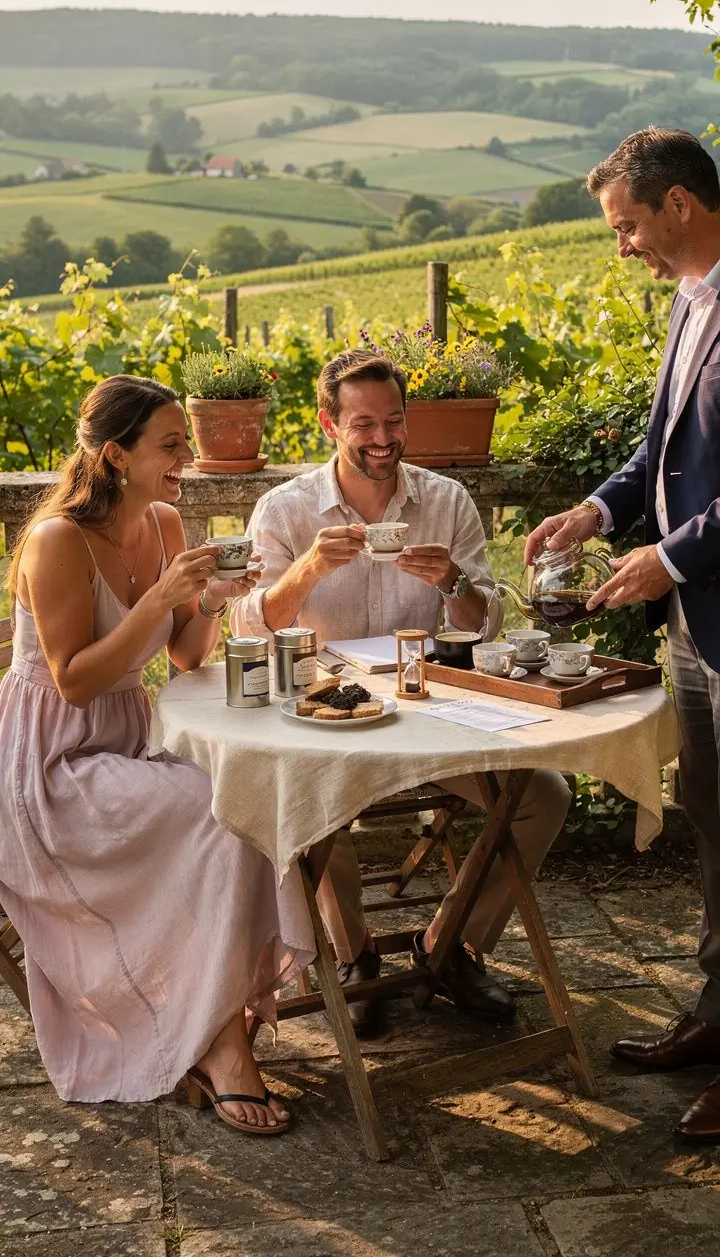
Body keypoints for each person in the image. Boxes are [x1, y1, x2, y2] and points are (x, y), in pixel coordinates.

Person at [525, 127, 720, 1144]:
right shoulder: (697, 302)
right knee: (713, 825)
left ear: (679, 206)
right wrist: (598, 516)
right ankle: (717, 1012)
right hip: (693, 622)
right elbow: (660, 448)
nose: (624, 247)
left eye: (628, 225)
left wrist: (671, 556)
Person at [0, 375, 315, 1135]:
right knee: (212, 816)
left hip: (126, 744)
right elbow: (74, 683)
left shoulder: (170, 521)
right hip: (48, 769)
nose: (188, 456)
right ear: (116, 454)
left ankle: (213, 1025)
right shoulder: (56, 541)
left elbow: (183, 655)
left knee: (240, 797)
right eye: (170, 445)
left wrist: (204, 601)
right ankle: (222, 1043)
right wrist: (156, 599)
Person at [232, 348, 571, 1035]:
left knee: (543, 797)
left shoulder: (446, 502)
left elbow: (484, 623)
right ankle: (356, 958)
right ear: (330, 423)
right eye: (363, 425)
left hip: (431, 719)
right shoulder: (286, 508)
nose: (382, 440)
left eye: (394, 422)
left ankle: (448, 947)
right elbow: (244, 622)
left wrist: (451, 583)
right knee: (311, 807)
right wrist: (304, 571)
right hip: (329, 721)